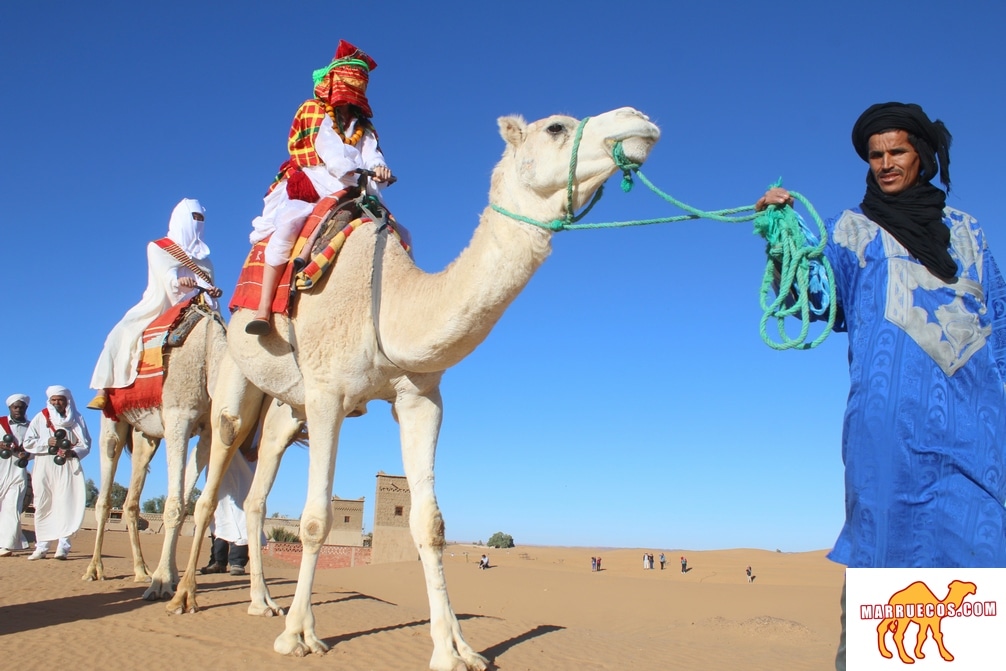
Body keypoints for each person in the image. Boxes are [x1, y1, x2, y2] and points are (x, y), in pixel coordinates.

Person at [755, 102, 1006, 671]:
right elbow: (817, 299)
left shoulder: (968, 231)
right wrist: (781, 236)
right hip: (888, 424)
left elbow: (1000, 318)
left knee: (978, 552)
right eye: (875, 154)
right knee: (887, 547)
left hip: (978, 424)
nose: (886, 162)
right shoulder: (853, 228)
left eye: (897, 150)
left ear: (924, 154)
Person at [245, 40, 394, 335]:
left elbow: (371, 152)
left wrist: (380, 168)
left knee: (399, 233)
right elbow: (326, 147)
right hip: (314, 179)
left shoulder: (363, 126)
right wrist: (346, 167)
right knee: (288, 224)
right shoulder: (314, 110)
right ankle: (264, 308)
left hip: (354, 183)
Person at [87, 199, 221, 410]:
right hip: (162, 303)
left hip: (197, 305)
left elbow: (207, 282)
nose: (197, 223)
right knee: (122, 332)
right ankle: (103, 390)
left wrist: (211, 291)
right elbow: (165, 276)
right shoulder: (159, 247)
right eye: (193, 218)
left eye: (201, 219)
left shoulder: (205, 259)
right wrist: (178, 282)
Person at [22, 386, 90, 560]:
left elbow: (85, 444)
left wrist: (72, 453)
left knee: (65, 502)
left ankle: (63, 547)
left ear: (67, 401)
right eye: (53, 400)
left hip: (67, 465)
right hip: (44, 465)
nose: (57, 403)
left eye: (60, 399)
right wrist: (47, 441)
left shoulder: (76, 419)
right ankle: (42, 546)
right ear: (49, 401)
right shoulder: (40, 417)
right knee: (42, 503)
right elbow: (28, 443)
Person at [199, 439, 258, 576]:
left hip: (246, 463)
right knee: (219, 510)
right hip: (220, 458)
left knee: (242, 511)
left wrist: (259, 448)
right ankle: (218, 561)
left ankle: (237, 561)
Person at [0, 394, 32, 556]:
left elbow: (36, 448)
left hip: (18, 472)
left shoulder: (32, 427)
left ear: (26, 408)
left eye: (21, 407)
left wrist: (28, 455)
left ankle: (6, 545)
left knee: (12, 507)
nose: (18, 409)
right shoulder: (0, 423)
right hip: (1, 468)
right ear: (10, 408)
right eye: (15, 407)